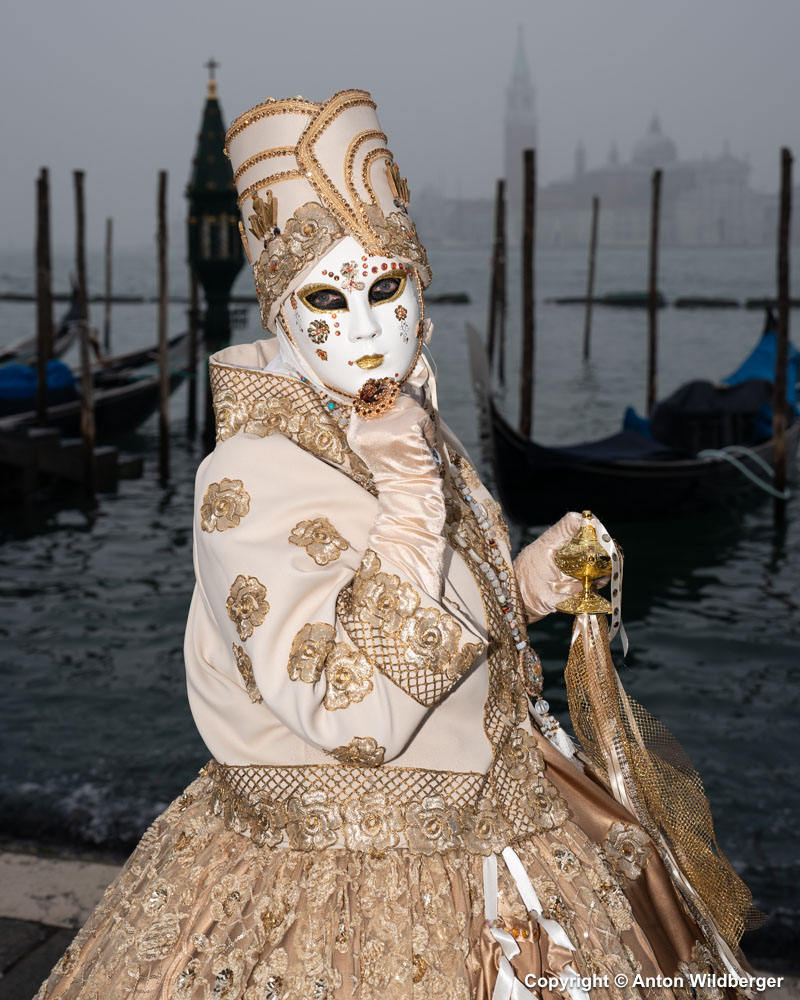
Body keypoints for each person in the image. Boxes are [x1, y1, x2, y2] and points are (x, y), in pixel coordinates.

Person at [35, 89, 756, 1000]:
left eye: (386, 287)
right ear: (283, 317)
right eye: (327, 300)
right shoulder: (247, 479)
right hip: (342, 884)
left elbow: (448, 601)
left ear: (419, 282)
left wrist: (528, 581)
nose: (370, 329)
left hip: (508, 829)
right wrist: (411, 487)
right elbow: (357, 714)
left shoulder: (406, 424)